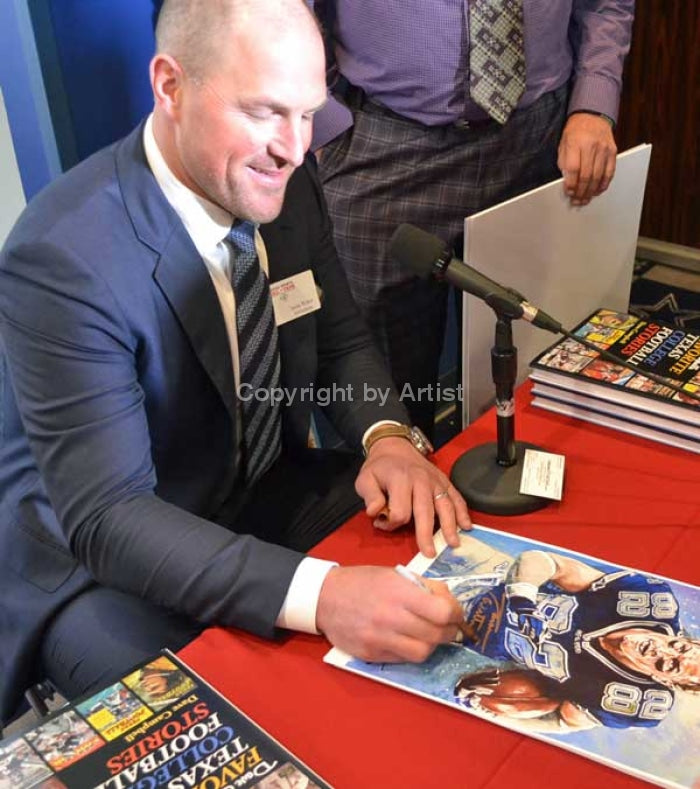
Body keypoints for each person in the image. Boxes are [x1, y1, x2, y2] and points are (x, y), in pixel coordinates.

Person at [0, 0, 471, 727]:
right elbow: (110, 516)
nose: (294, 146)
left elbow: (340, 338)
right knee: (244, 727)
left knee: (440, 554)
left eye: (309, 113)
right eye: (265, 112)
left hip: (252, 486)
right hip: (96, 565)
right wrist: (324, 595)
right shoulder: (63, 257)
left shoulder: (286, 181)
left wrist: (388, 438)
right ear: (170, 86)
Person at [308, 1, 635, 435]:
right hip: (381, 144)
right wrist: (319, 119)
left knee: (528, 376)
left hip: (538, 141)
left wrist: (593, 102)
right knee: (383, 405)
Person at [450, 545, 700, 731]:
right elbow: (544, 561)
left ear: (664, 680)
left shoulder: (632, 697)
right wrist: (522, 596)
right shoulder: (649, 601)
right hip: (488, 583)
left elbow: (560, 721)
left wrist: (493, 712)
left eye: (669, 665)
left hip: (473, 639)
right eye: (678, 647)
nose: (661, 651)